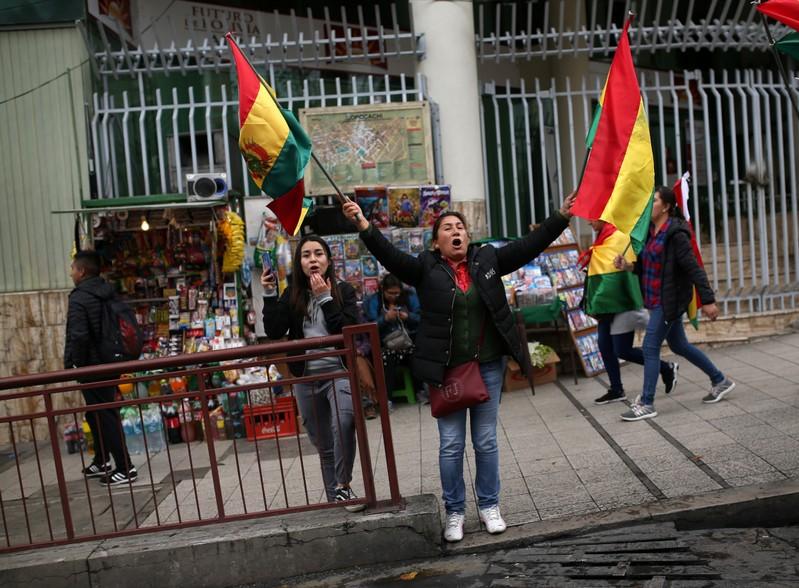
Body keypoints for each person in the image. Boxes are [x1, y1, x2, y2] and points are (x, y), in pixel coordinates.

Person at [343, 193, 576, 542]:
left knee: (485, 440)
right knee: (451, 445)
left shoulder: (488, 259)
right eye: (448, 228)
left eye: (461, 228)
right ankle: (454, 512)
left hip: (488, 366)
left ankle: (489, 506)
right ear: (436, 242)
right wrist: (363, 225)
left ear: (468, 236)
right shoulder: (425, 266)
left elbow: (529, 246)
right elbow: (389, 255)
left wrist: (559, 217)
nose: (456, 232)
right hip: (446, 370)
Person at [261, 235, 365, 511]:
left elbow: (347, 331)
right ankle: (336, 497)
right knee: (322, 441)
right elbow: (274, 331)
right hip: (305, 377)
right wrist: (270, 294)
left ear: (328, 260)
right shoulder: (292, 293)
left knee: (344, 422)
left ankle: (343, 486)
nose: (313, 260)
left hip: (338, 372)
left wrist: (326, 299)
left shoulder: (344, 290)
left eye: (318, 254)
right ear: (300, 263)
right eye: (306, 255)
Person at [613, 186, 734, 421]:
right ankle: (720, 380)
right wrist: (627, 265)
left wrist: (707, 300)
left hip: (668, 301)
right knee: (679, 345)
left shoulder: (676, 233)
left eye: (654, 201)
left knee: (649, 347)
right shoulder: (650, 230)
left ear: (667, 206)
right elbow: (647, 264)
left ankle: (647, 403)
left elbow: (693, 268)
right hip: (655, 298)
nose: (650, 205)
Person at [581, 219, 678, 405]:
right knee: (604, 345)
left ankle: (666, 368)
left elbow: (624, 271)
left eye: (592, 218)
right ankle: (616, 389)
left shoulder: (619, 237)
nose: (588, 222)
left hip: (622, 302)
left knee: (622, 350)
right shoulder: (602, 238)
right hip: (605, 305)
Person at [64, 250, 137, 486]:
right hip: (111, 360)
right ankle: (102, 458)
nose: (71, 272)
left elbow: (78, 336)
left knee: (104, 414)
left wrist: (75, 364)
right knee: (95, 412)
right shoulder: (107, 292)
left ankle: (125, 468)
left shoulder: (79, 298)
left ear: (82, 271)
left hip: (92, 366)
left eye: (73, 268)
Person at [362, 273, 422, 396]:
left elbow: (422, 318)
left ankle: (420, 391)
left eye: (397, 293)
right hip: (385, 344)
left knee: (418, 354)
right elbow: (370, 326)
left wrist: (408, 317)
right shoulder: (374, 301)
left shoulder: (409, 297)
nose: (394, 297)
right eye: (390, 293)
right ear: (383, 289)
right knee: (386, 359)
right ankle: (386, 397)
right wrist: (385, 319)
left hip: (409, 340)